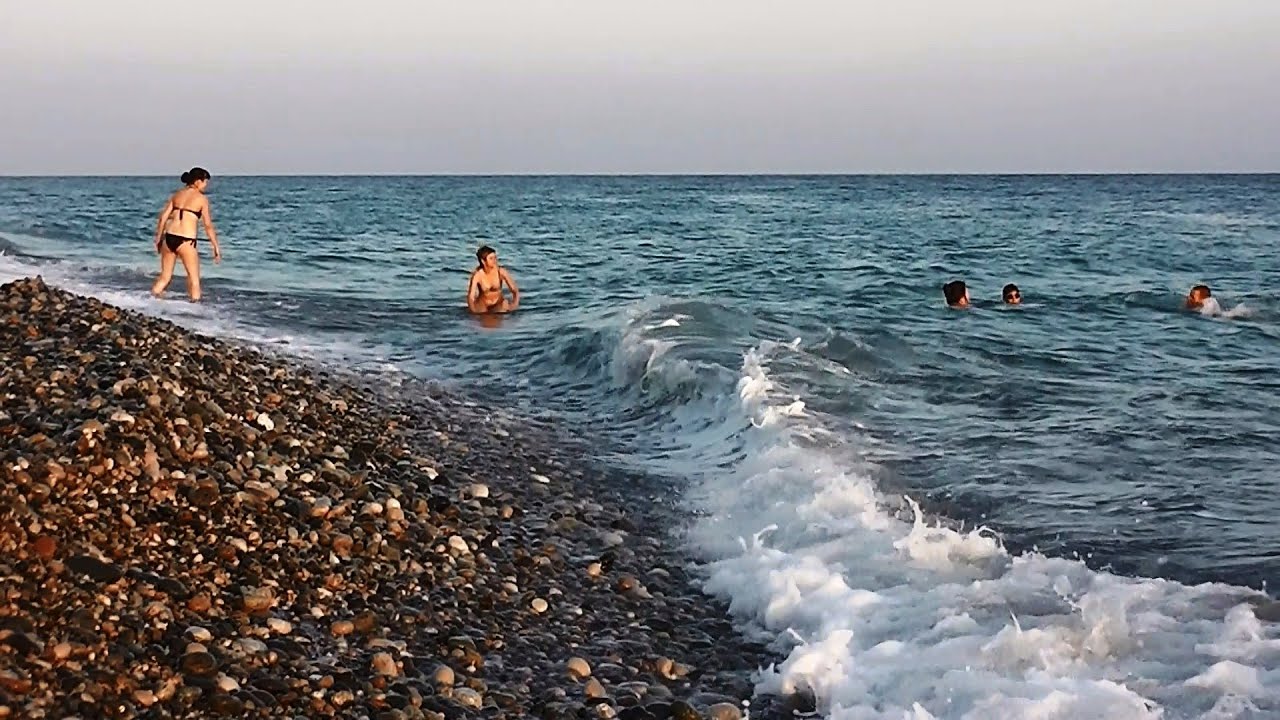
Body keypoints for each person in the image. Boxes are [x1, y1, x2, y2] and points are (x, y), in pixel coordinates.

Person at [151, 167, 221, 301]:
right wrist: (215, 246)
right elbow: (208, 225)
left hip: (169, 237)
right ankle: (195, 311)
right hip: (186, 241)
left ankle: (149, 301)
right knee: (194, 280)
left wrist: (159, 239)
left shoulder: (177, 195)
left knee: (165, 277)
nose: (206, 185)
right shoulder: (201, 199)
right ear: (197, 181)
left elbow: (163, 217)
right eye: (205, 182)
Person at [467, 244, 519, 314]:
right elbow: (471, 297)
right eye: (491, 258)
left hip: (498, 303)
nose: (494, 260)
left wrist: (514, 305)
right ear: (483, 261)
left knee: (504, 306)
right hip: (483, 304)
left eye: (495, 258)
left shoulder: (501, 271)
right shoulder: (477, 275)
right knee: (481, 318)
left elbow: (514, 290)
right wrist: (473, 311)